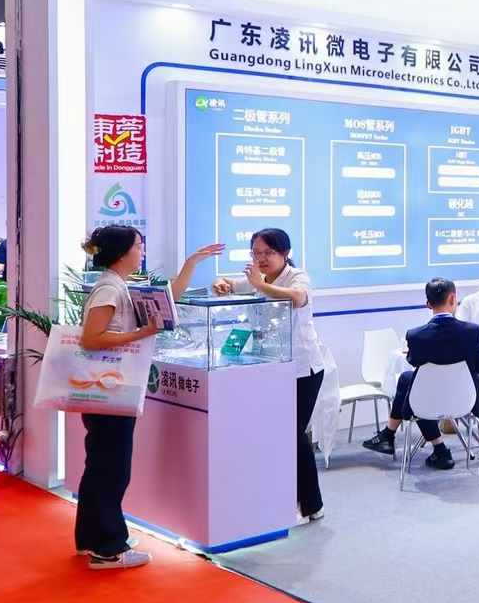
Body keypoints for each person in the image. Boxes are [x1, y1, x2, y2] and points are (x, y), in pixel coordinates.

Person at [76, 227, 222, 569]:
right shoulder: (110, 288)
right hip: (110, 389)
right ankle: (109, 548)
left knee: (100, 466)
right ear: (122, 251)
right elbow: (91, 338)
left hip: (109, 388)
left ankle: (92, 537)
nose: (142, 252)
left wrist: (191, 263)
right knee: (112, 470)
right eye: (138, 246)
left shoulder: (119, 284)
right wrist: (144, 332)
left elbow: (168, 297)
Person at [213, 228, 326, 522]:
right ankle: (285, 499)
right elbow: (227, 283)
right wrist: (221, 283)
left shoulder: (296, 276)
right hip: (271, 368)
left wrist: (259, 285)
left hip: (303, 369)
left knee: (293, 434)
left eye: (268, 253)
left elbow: (297, 298)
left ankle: (311, 505)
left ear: (284, 253)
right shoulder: (257, 278)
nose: (261, 258)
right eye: (256, 253)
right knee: (276, 434)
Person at [362, 278, 479, 465]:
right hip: (465, 401)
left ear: (428, 304)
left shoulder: (416, 335)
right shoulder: (473, 331)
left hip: (426, 403)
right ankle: (400, 439)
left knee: (408, 381)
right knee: (409, 382)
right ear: (453, 298)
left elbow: (413, 361)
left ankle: (399, 437)